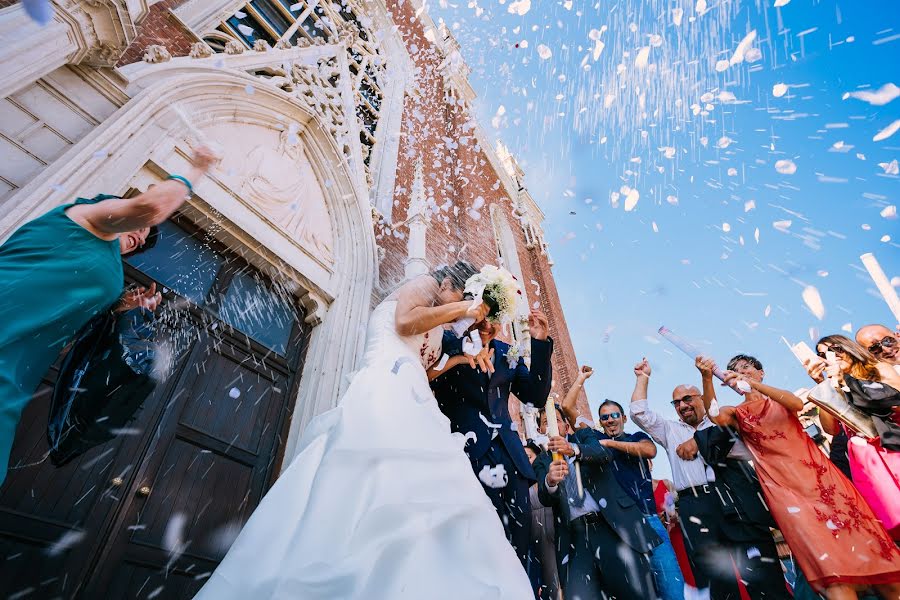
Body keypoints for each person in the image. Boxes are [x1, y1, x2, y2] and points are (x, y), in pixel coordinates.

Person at [194, 262, 536, 599]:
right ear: (447, 282)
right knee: (372, 478)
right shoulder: (424, 285)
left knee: (425, 496)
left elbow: (426, 371)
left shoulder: (439, 317)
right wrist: (463, 307)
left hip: (417, 401)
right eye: (457, 296)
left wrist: (461, 358)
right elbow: (403, 323)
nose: (455, 306)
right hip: (384, 389)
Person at [0, 146, 217, 486]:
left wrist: (126, 312)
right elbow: (150, 207)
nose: (141, 235)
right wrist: (197, 170)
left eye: (143, 239)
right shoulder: (89, 217)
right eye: (139, 228)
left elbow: (74, 334)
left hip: (12, 375)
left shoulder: (110, 276)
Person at [709, 353, 900, 599]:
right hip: (785, 489)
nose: (741, 372)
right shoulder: (736, 412)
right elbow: (715, 415)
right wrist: (706, 376)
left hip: (821, 478)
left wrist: (752, 385)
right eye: (734, 370)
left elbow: (796, 404)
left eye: (746, 367)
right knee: (826, 559)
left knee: (868, 544)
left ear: (760, 372)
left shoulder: (780, 398)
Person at [429, 310, 553, 571]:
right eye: (483, 317)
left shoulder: (509, 352)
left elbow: (535, 397)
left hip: (512, 460)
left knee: (519, 549)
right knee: (477, 545)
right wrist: (461, 358)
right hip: (466, 457)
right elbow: (428, 377)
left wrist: (540, 343)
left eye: (494, 319)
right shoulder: (449, 344)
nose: (488, 325)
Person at [533, 403, 660, 599]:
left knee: (635, 591)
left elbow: (603, 454)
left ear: (566, 426)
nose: (551, 424)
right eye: (545, 423)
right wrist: (550, 481)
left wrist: (573, 449)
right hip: (574, 536)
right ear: (541, 430)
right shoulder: (542, 460)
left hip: (609, 526)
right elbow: (544, 496)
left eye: (556, 420)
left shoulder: (583, 437)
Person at [628, 357, 718, 595]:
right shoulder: (670, 430)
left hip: (724, 496)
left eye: (688, 399)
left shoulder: (717, 422)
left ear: (701, 398)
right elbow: (639, 413)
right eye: (677, 402)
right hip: (692, 502)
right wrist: (643, 378)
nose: (682, 405)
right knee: (709, 572)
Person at [806, 335, 900, 540]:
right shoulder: (833, 384)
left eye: (835, 349)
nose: (831, 356)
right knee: (892, 515)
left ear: (848, 347)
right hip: (867, 459)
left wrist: (845, 380)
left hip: (893, 446)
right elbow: (831, 429)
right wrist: (825, 385)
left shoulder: (877, 368)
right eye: (822, 354)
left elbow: (894, 398)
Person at [592, 399, 685, 600]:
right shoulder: (596, 439)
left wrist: (609, 444)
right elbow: (568, 409)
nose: (610, 420)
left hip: (647, 518)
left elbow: (650, 450)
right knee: (635, 588)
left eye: (615, 415)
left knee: (670, 581)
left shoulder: (636, 437)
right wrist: (581, 380)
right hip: (616, 523)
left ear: (624, 418)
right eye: (605, 417)